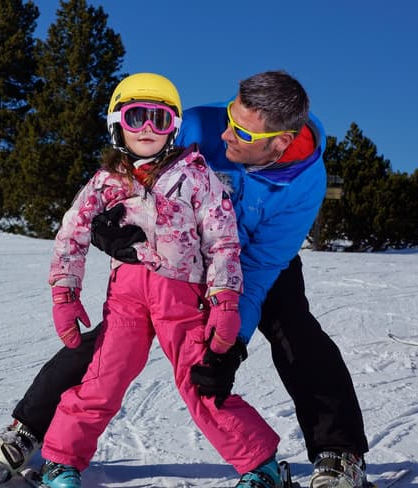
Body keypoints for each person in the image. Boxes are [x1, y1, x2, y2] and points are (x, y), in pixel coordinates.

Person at [0, 71, 369, 488]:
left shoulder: (305, 185)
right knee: (111, 342)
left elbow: (258, 268)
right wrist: (109, 230)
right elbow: (131, 169)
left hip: (251, 263)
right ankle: (29, 427)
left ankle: (338, 452)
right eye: (229, 116)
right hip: (169, 259)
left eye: (241, 132)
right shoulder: (199, 126)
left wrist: (230, 342)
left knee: (294, 333)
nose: (225, 134)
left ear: (281, 142)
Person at [44, 72, 281, 488]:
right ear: (117, 124)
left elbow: (222, 240)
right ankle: (61, 461)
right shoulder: (106, 182)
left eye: (161, 119)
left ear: (174, 126)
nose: (149, 129)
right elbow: (72, 234)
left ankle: (260, 464)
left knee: (201, 380)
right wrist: (65, 292)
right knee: (103, 379)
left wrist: (225, 301)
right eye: (138, 118)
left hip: (183, 297)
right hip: (127, 300)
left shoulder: (196, 175)